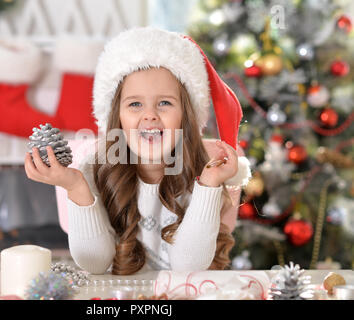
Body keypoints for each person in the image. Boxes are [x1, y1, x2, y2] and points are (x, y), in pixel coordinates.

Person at [24, 27, 251, 275]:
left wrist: (208, 185)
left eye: (165, 103)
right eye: (135, 104)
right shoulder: (94, 169)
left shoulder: (205, 170)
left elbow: (189, 266)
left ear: (186, 116)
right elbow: (94, 263)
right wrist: (77, 187)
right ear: (117, 117)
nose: (150, 115)